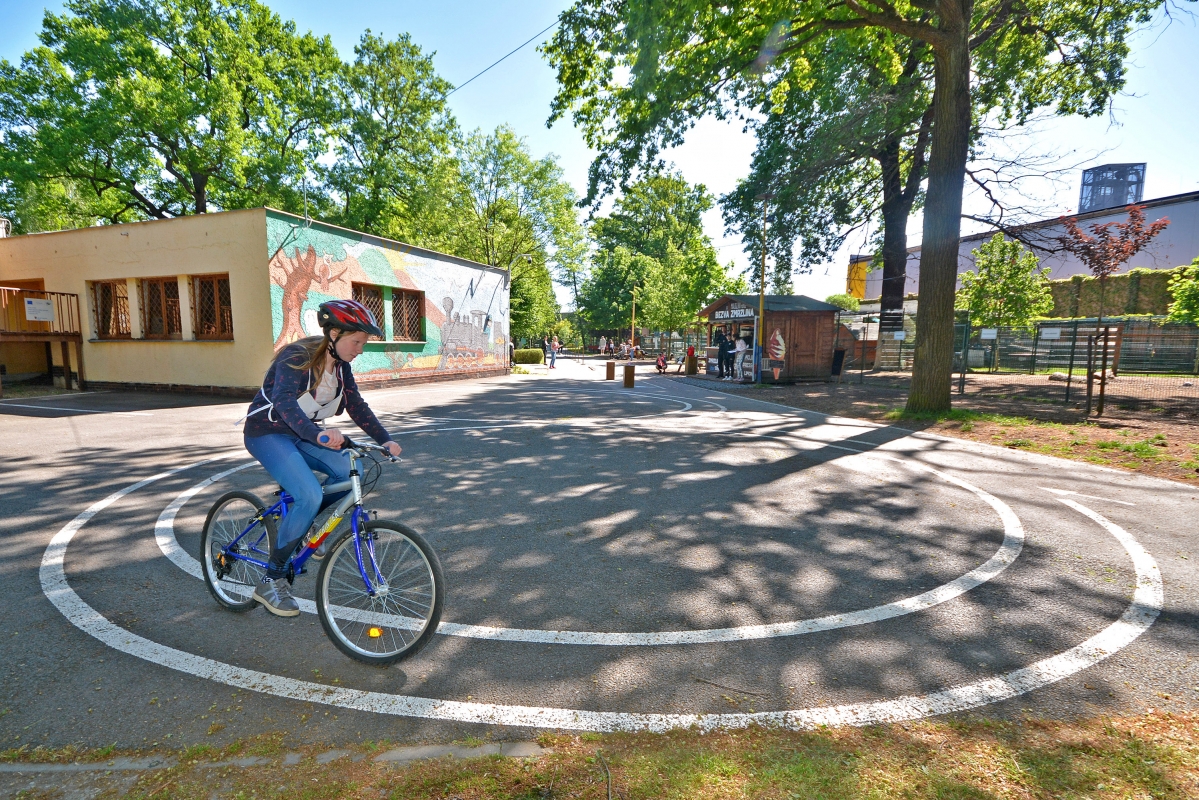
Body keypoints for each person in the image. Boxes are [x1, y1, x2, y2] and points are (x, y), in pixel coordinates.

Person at [241, 299, 402, 617]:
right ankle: (271, 580)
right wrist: (318, 436)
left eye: (363, 343)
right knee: (309, 493)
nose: (359, 349)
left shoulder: (341, 369)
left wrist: (385, 440)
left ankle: (304, 527)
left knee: (349, 472)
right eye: (356, 341)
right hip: (268, 433)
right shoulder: (297, 357)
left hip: (302, 434)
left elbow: (356, 405)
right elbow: (284, 403)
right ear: (335, 333)